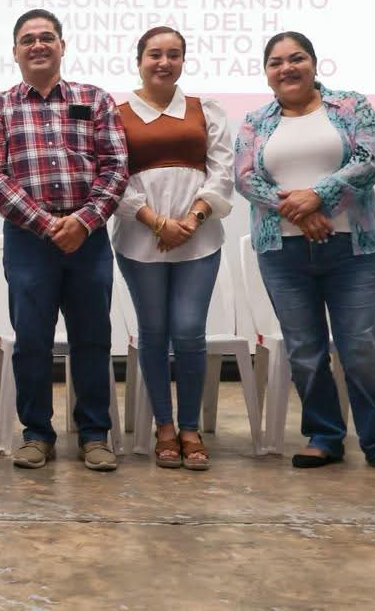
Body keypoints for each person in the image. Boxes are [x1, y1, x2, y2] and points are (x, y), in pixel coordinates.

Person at [234, 31, 375, 479]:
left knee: (360, 347)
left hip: (352, 249)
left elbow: (369, 159)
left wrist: (317, 196)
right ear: (267, 73)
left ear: (315, 64)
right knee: (304, 350)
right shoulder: (255, 121)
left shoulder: (351, 106)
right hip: (283, 251)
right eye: (276, 62)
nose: (287, 68)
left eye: (296, 58)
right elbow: (244, 177)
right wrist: (299, 213)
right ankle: (324, 437)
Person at [0, 8, 129, 473]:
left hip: (90, 239)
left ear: (62, 46)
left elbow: (116, 166)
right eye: (27, 39)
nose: (37, 45)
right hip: (28, 242)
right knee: (32, 341)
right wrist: (46, 224)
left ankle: (94, 434)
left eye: (46, 37)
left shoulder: (95, 99)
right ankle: (37, 434)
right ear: (16, 52)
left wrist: (83, 221)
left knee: (92, 338)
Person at [111, 27, 233, 470]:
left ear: (184, 60)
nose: (164, 62)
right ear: (138, 59)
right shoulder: (115, 112)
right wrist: (157, 221)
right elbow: (112, 177)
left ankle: (190, 427)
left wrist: (191, 220)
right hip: (139, 238)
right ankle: (164, 426)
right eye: (155, 54)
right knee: (154, 332)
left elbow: (222, 172)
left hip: (198, 239)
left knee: (189, 332)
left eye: (174, 55)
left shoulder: (207, 110)